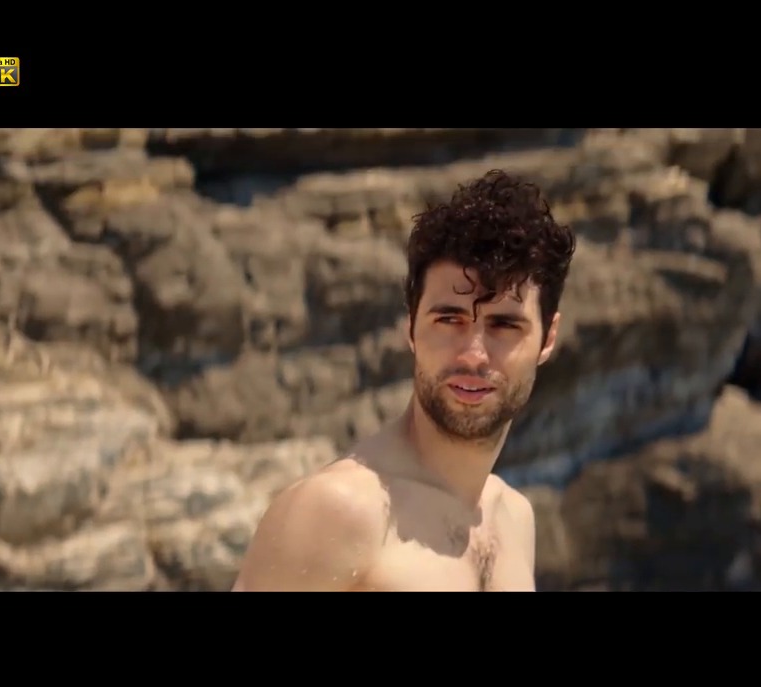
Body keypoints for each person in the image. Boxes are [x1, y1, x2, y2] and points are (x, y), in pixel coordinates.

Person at [232, 169, 577, 591]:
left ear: (548, 338)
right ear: (411, 326)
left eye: (504, 325)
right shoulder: (339, 511)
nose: (473, 354)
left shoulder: (514, 519)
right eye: (448, 320)